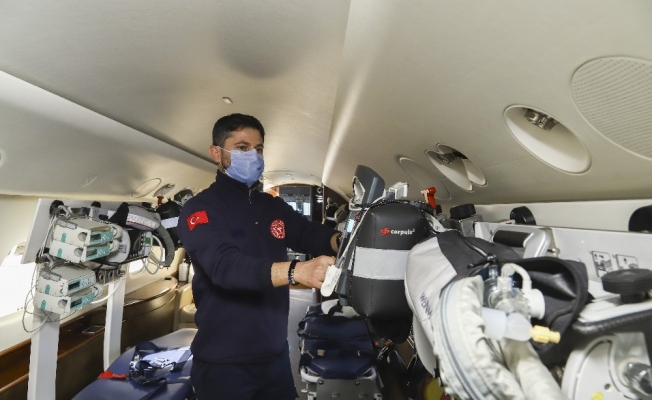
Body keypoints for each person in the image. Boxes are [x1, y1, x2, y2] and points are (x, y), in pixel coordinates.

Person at [177, 113, 341, 400]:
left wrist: (342, 240)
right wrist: (297, 271)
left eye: (259, 148)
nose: (253, 156)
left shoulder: (271, 206)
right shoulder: (200, 209)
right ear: (217, 152)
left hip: (275, 357)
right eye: (242, 148)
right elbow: (225, 267)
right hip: (224, 365)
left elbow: (309, 233)